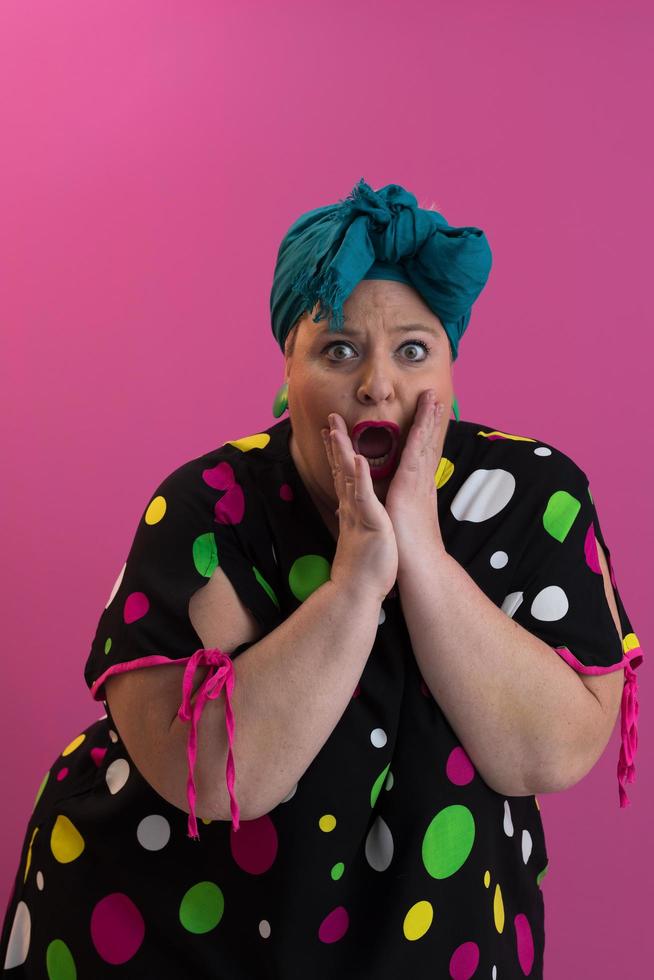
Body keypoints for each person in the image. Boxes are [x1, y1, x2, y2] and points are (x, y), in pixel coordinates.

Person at [1, 178, 643, 978]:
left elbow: (549, 750)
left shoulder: (535, 497)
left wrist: (425, 557)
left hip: (434, 933)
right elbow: (214, 774)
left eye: (414, 349)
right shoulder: (209, 508)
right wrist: (353, 587)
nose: (378, 384)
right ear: (288, 370)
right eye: (339, 349)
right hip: (166, 926)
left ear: (451, 366)